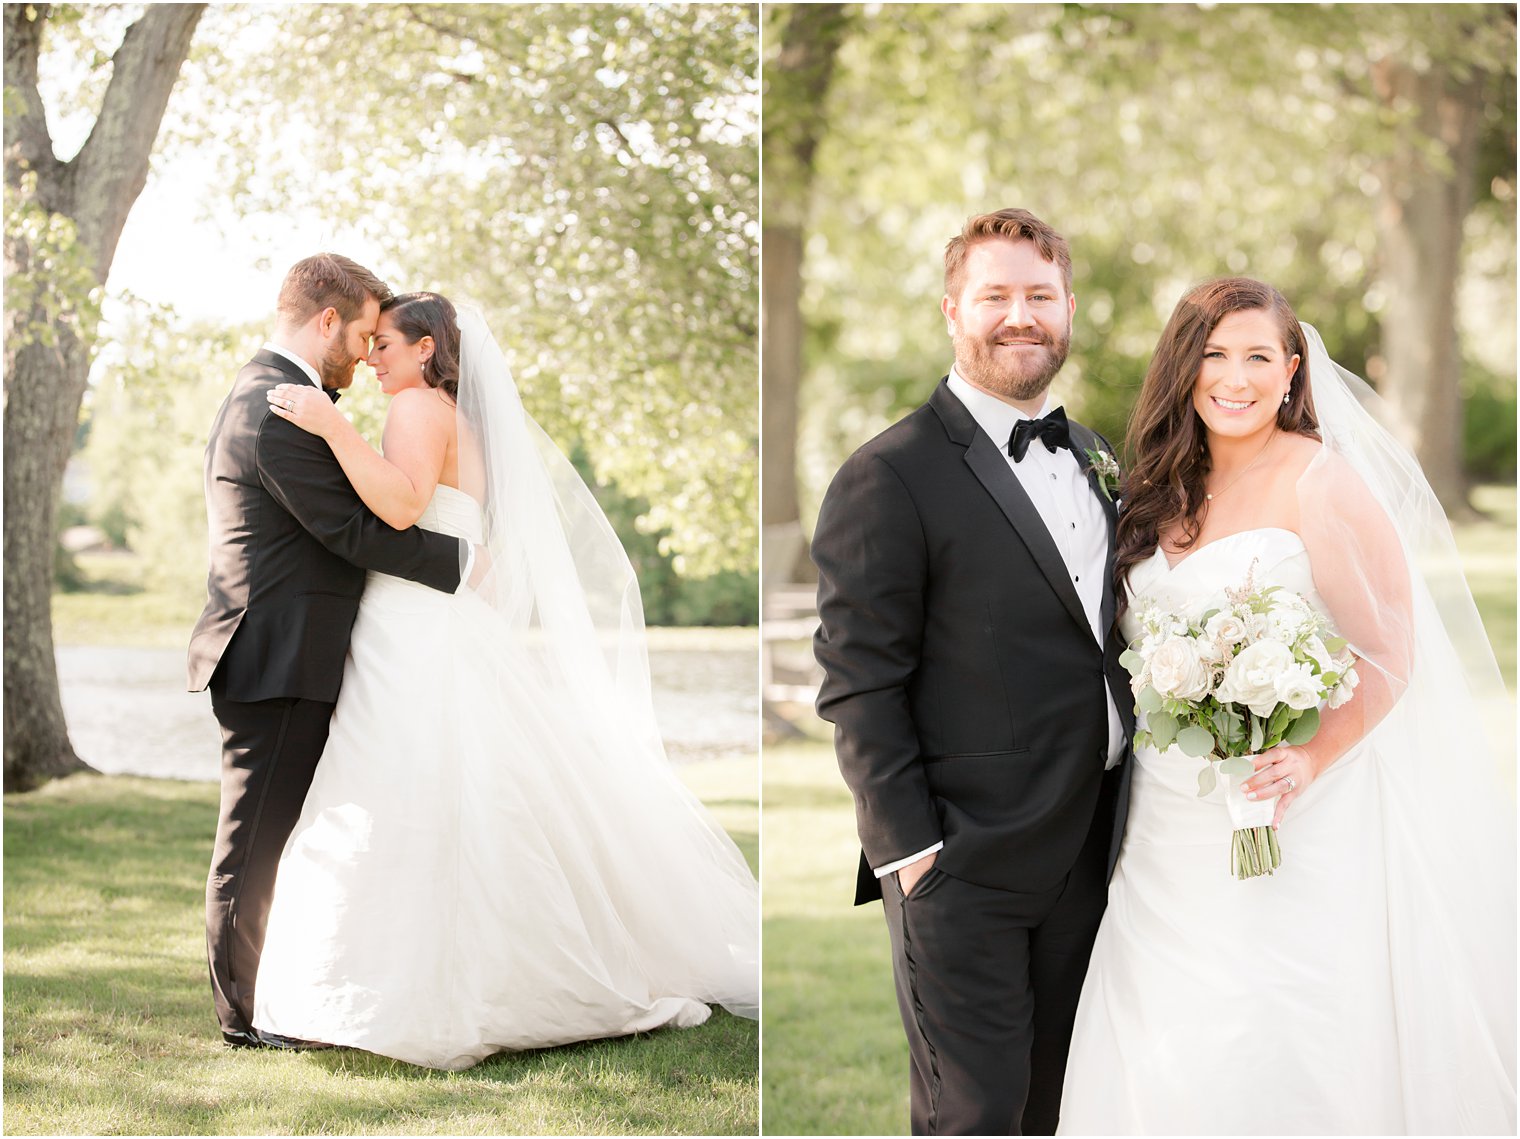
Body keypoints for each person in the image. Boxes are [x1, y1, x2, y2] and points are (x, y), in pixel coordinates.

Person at [248, 291, 759, 1070]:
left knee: (398, 779)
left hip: (414, 622)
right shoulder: (461, 416)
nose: (372, 358)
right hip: (438, 615)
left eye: (384, 343)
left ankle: (425, 983)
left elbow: (402, 504)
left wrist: (331, 425)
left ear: (425, 350)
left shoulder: (416, 407)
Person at [1059, 278, 1516, 1134]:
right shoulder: (1152, 490)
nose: (1234, 377)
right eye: (1215, 354)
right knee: (1159, 1025)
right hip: (1164, 825)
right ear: (1185, 367)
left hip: (1295, 809)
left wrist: (1305, 754)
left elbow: (1388, 653)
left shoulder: (1322, 481)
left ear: (1292, 370)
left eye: (1258, 357)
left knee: (1274, 1020)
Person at [811, 208, 1134, 1135]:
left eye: (1039, 295)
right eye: (995, 296)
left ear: (1069, 307)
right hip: (964, 866)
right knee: (976, 1113)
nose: (1019, 316)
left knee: (1063, 1104)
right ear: (954, 309)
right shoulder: (890, 473)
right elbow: (856, 679)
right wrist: (912, 854)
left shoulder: (1095, 455)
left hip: (1097, 850)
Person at [188, 254, 471, 1050]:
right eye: (361, 332)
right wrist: (463, 562)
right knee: (254, 843)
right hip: (272, 656)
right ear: (325, 322)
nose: (365, 350)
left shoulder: (284, 397)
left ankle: (283, 993)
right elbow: (348, 529)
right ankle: (242, 1017)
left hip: (294, 652)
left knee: (290, 837)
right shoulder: (274, 405)